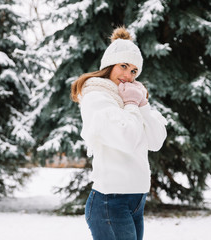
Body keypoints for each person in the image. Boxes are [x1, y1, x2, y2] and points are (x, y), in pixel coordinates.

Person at [70, 26, 167, 240]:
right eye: (123, 66)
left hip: (136, 199)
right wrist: (133, 103)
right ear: (109, 65)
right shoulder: (96, 97)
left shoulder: (129, 95)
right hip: (110, 200)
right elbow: (127, 138)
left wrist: (142, 104)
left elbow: (156, 140)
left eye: (134, 71)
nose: (128, 76)